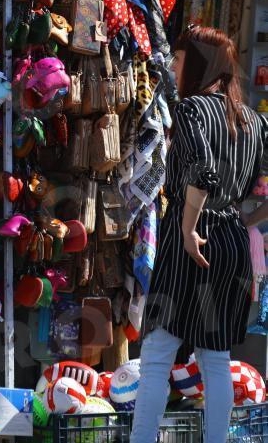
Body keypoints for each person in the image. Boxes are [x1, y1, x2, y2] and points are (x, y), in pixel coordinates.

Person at [132, 26, 268, 443]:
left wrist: (190, 229)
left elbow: (202, 175)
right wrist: (246, 220)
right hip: (231, 239)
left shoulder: (191, 109)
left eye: (179, 58)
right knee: (215, 356)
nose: (174, 66)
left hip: (190, 236)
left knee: (157, 353)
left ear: (200, 63)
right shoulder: (253, 119)